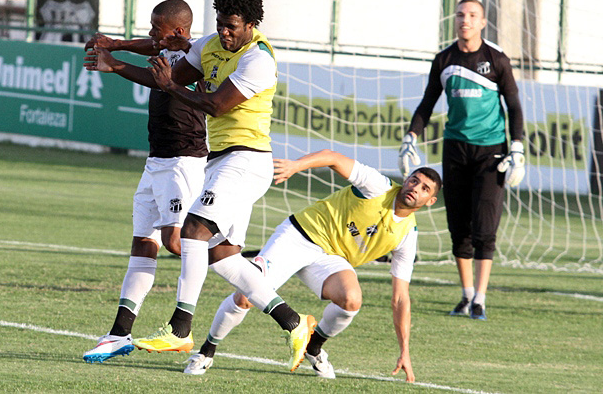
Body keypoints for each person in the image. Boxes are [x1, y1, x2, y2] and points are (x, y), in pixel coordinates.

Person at [85, 0, 315, 372]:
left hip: (247, 160)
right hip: (220, 161)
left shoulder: (258, 59)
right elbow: (165, 73)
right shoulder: (209, 44)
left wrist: (171, 85)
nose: (225, 32)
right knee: (222, 257)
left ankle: (180, 328)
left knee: (192, 231)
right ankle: (294, 322)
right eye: (221, 24)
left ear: (251, 25)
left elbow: (216, 105)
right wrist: (118, 65)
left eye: (232, 27)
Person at [183, 150, 441, 382]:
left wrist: (404, 350)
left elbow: (400, 298)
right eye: (414, 180)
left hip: (331, 259)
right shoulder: (379, 186)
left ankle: (313, 348)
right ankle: (206, 351)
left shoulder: (407, 235)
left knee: (351, 300)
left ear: (430, 201)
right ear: (406, 180)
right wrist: (296, 166)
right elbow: (333, 158)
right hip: (299, 235)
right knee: (245, 297)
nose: (416, 188)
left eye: (425, 189)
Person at [81, 0, 209, 363]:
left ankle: (235, 262)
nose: (153, 36)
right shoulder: (168, 46)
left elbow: (157, 78)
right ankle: (119, 333)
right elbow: (151, 48)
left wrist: (116, 63)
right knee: (143, 243)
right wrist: (116, 44)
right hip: (157, 159)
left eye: (158, 29)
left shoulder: (195, 57)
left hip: (183, 160)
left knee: (174, 241)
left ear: (179, 31)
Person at [398, 0, 525, 321]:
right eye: (460, 15)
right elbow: (427, 104)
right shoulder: (444, 60)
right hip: (455, 149)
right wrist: (411, 137)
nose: (465, 20)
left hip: (491, 152)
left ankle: (481, 298)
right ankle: (466, 296)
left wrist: (518, 147)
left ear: (483, 22)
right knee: (458, 225)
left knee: (485, 224)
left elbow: (514, 107)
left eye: (472, 15)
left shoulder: (497, 60)